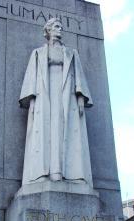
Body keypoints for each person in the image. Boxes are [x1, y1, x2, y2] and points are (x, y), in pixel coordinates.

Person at [19, 18, 93, 186]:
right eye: (56, 27)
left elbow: (78, 77)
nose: (60, 29)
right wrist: (31, 101)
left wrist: (81, 98)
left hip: (67, 96)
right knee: (45, 132)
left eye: (61, 27)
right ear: (49, 30)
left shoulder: (71, 53)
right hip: (44, 95)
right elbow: (31, 78)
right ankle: (42, 173)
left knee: (65, 131)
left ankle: (70, 174)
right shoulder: (38, 53)